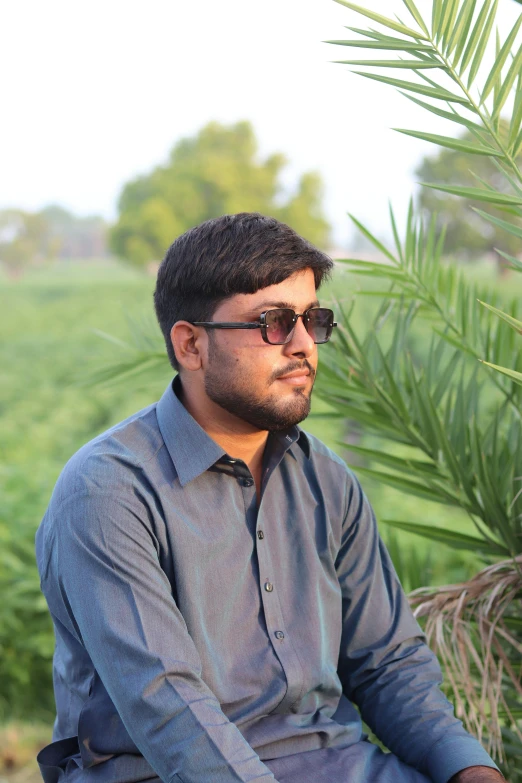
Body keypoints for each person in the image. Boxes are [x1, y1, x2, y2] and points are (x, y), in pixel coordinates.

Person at [35, 213, 503, 783]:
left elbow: (388, 666)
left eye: (313, 320)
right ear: (191, 345)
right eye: (274, 323)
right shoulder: (109, 493)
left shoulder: (326, 481)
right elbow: (168, 711)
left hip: (338, 765)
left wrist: (471, 771)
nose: (305, 345)